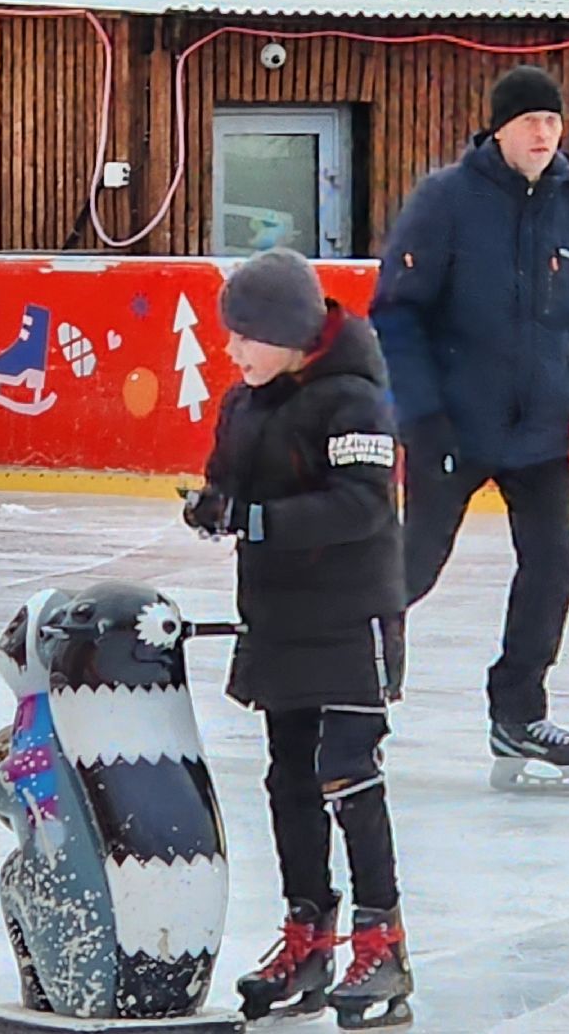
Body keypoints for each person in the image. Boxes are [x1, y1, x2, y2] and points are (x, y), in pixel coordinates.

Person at [368, 64, 569, 793]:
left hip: (540, 426)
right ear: (500, 128)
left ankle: (518, 709)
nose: (543, 134)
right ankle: (352, 701)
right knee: (409, 568)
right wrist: (423, 413)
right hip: (453, 421)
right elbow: (397, 312)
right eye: (530, 122)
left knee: (553, 564)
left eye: (553, 121)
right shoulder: (446, 200)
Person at [181, 247, 414, 1030]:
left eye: (246, 334)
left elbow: (363, 507)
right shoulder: (243, 403)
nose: (233, 348)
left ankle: (382, 939)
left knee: (346, 771)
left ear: (286, 332)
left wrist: (257, 520)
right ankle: (307, 933)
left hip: (350, 615)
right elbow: (231, 482)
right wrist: (215, 505)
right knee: (288, 778)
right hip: (280, 616)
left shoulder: (356, 400)